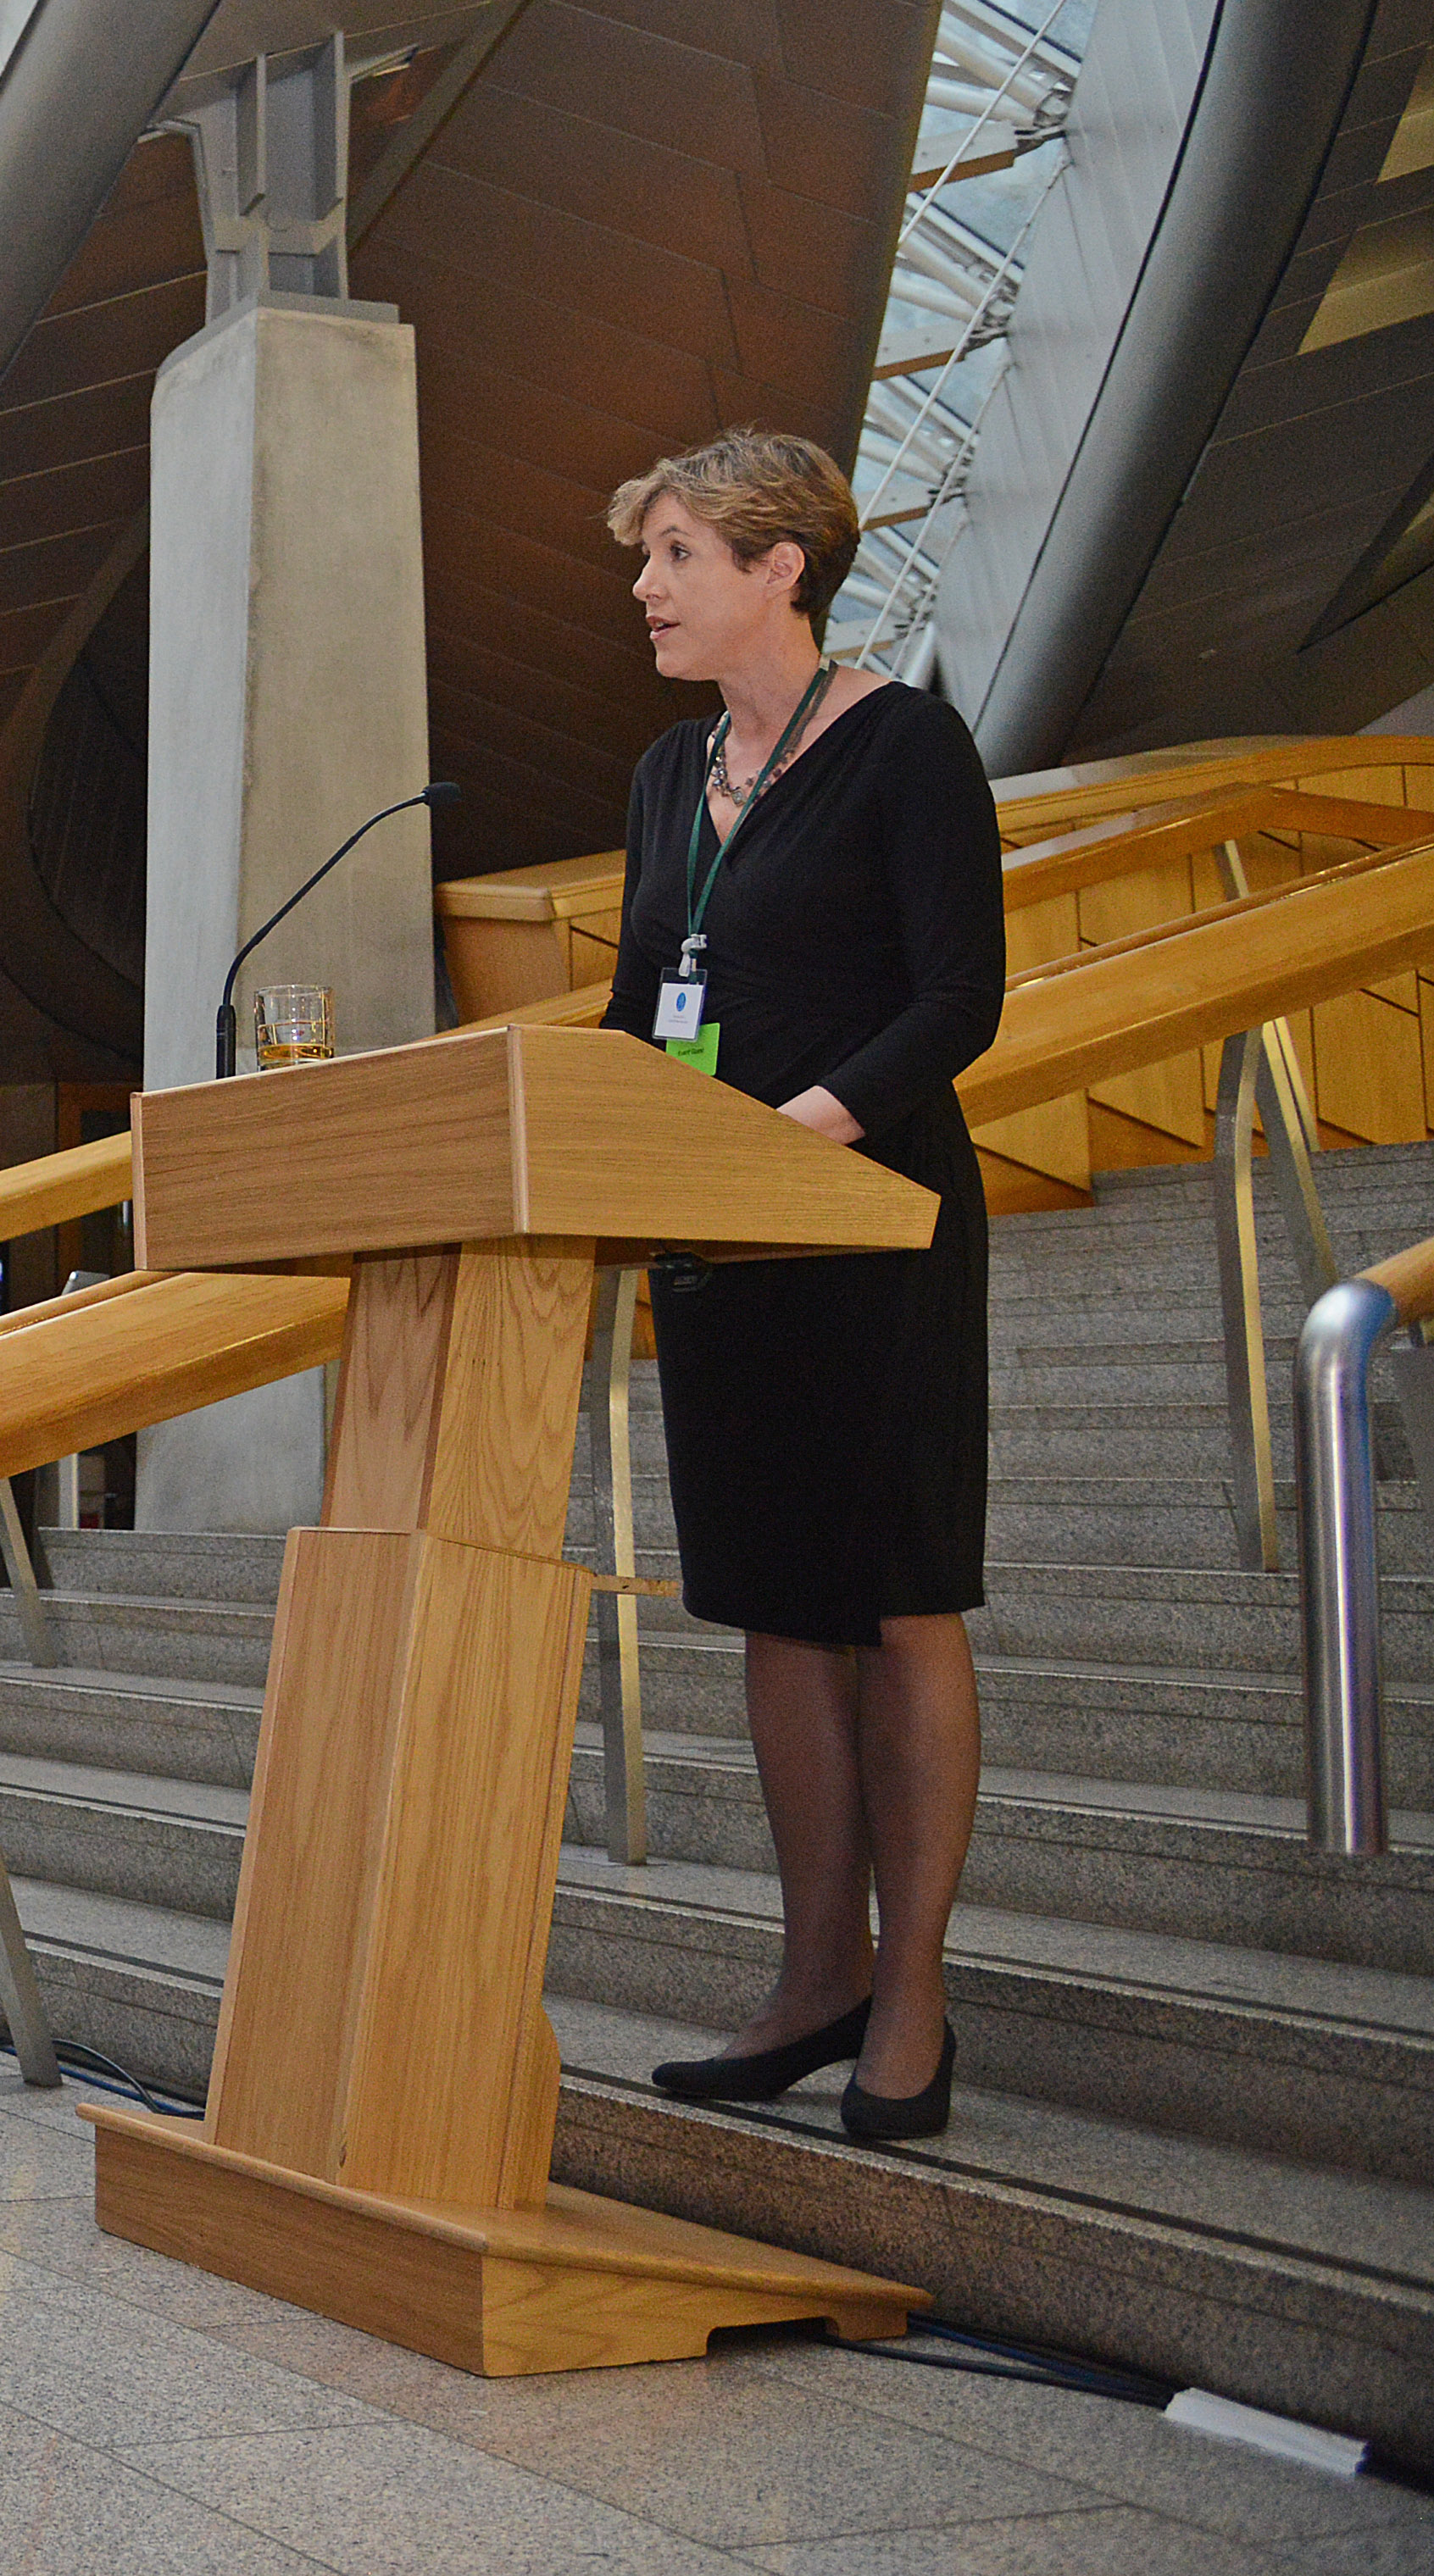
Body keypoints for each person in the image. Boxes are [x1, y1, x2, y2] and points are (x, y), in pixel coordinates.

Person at [604, 431, 1003, 2145]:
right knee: (774, 1602)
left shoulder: (905, 746)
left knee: (897, 1595)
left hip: (875, 1229)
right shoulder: (659, 778)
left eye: (677, 552)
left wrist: (803, 1134)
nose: (646, 587)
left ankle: (910, 1994)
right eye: (647, 558)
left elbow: (957, 996)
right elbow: (640, 1012)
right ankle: (809, 1978)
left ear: (783, 568)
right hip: (727, 1252)